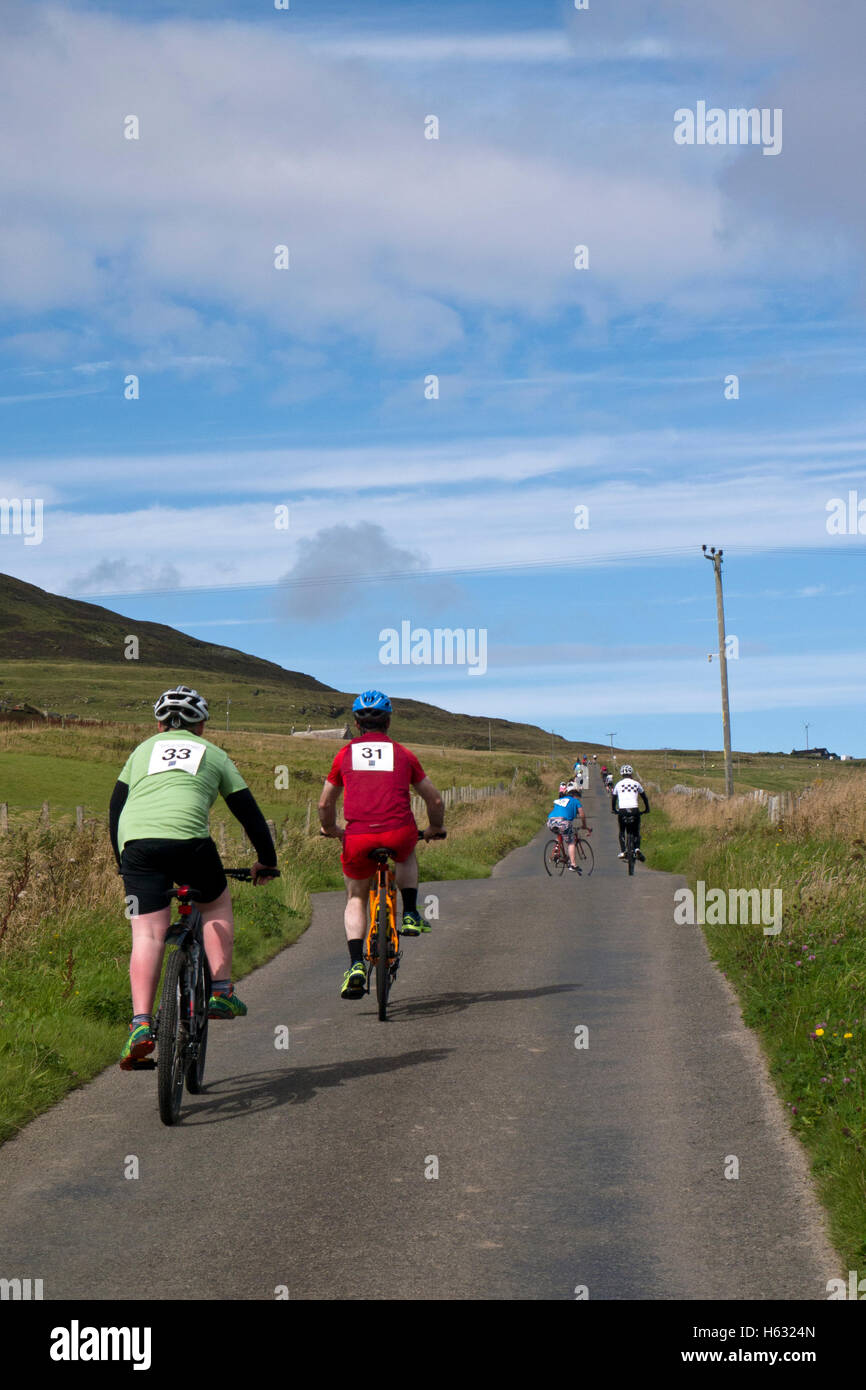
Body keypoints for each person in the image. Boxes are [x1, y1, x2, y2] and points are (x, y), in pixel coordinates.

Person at [110, 685, 278, 1069]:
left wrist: (122, 859)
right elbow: (247, 812)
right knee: (216, 902)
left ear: (158, 724)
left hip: (137, 847)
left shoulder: (140, 752)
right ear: (201, 725)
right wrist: (265, 861)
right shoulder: (214, 754)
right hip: (191, 846)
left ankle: (140, 1025)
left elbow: (115, 807)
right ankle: (220, 991)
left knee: (147, 934)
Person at [318, 690, 445, 1000]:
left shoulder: (344, 755)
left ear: (356, 723)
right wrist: (435, 828)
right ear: (388, 721)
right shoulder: (403, 754)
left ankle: (356, 964)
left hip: (358, 837)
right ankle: (412, 913)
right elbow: (435, 799)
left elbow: (324, 804)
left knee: (355, 897)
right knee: (407, 851)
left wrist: (330, 828)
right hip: (399, 832)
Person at [546, 780, 587, 873]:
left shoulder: (559, 800)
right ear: (576, 793)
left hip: (550, 821)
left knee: (561, 832)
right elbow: (582, 815)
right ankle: (573, 864)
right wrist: (584, 825)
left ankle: (558, 850)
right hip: (563, 822)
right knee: (571, 842)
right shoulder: (576, 801)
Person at [610, 764, 650, 860]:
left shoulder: (618, 784)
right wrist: (647, 808)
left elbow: (614, 799)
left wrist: (614, 809)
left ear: (621, 774)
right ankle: (636, 849)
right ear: (631, 773)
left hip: (623, 810)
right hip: (634, 809)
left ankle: (624, 851)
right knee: (636, 831)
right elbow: (644, 797)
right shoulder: (636, 783)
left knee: (622, 831)